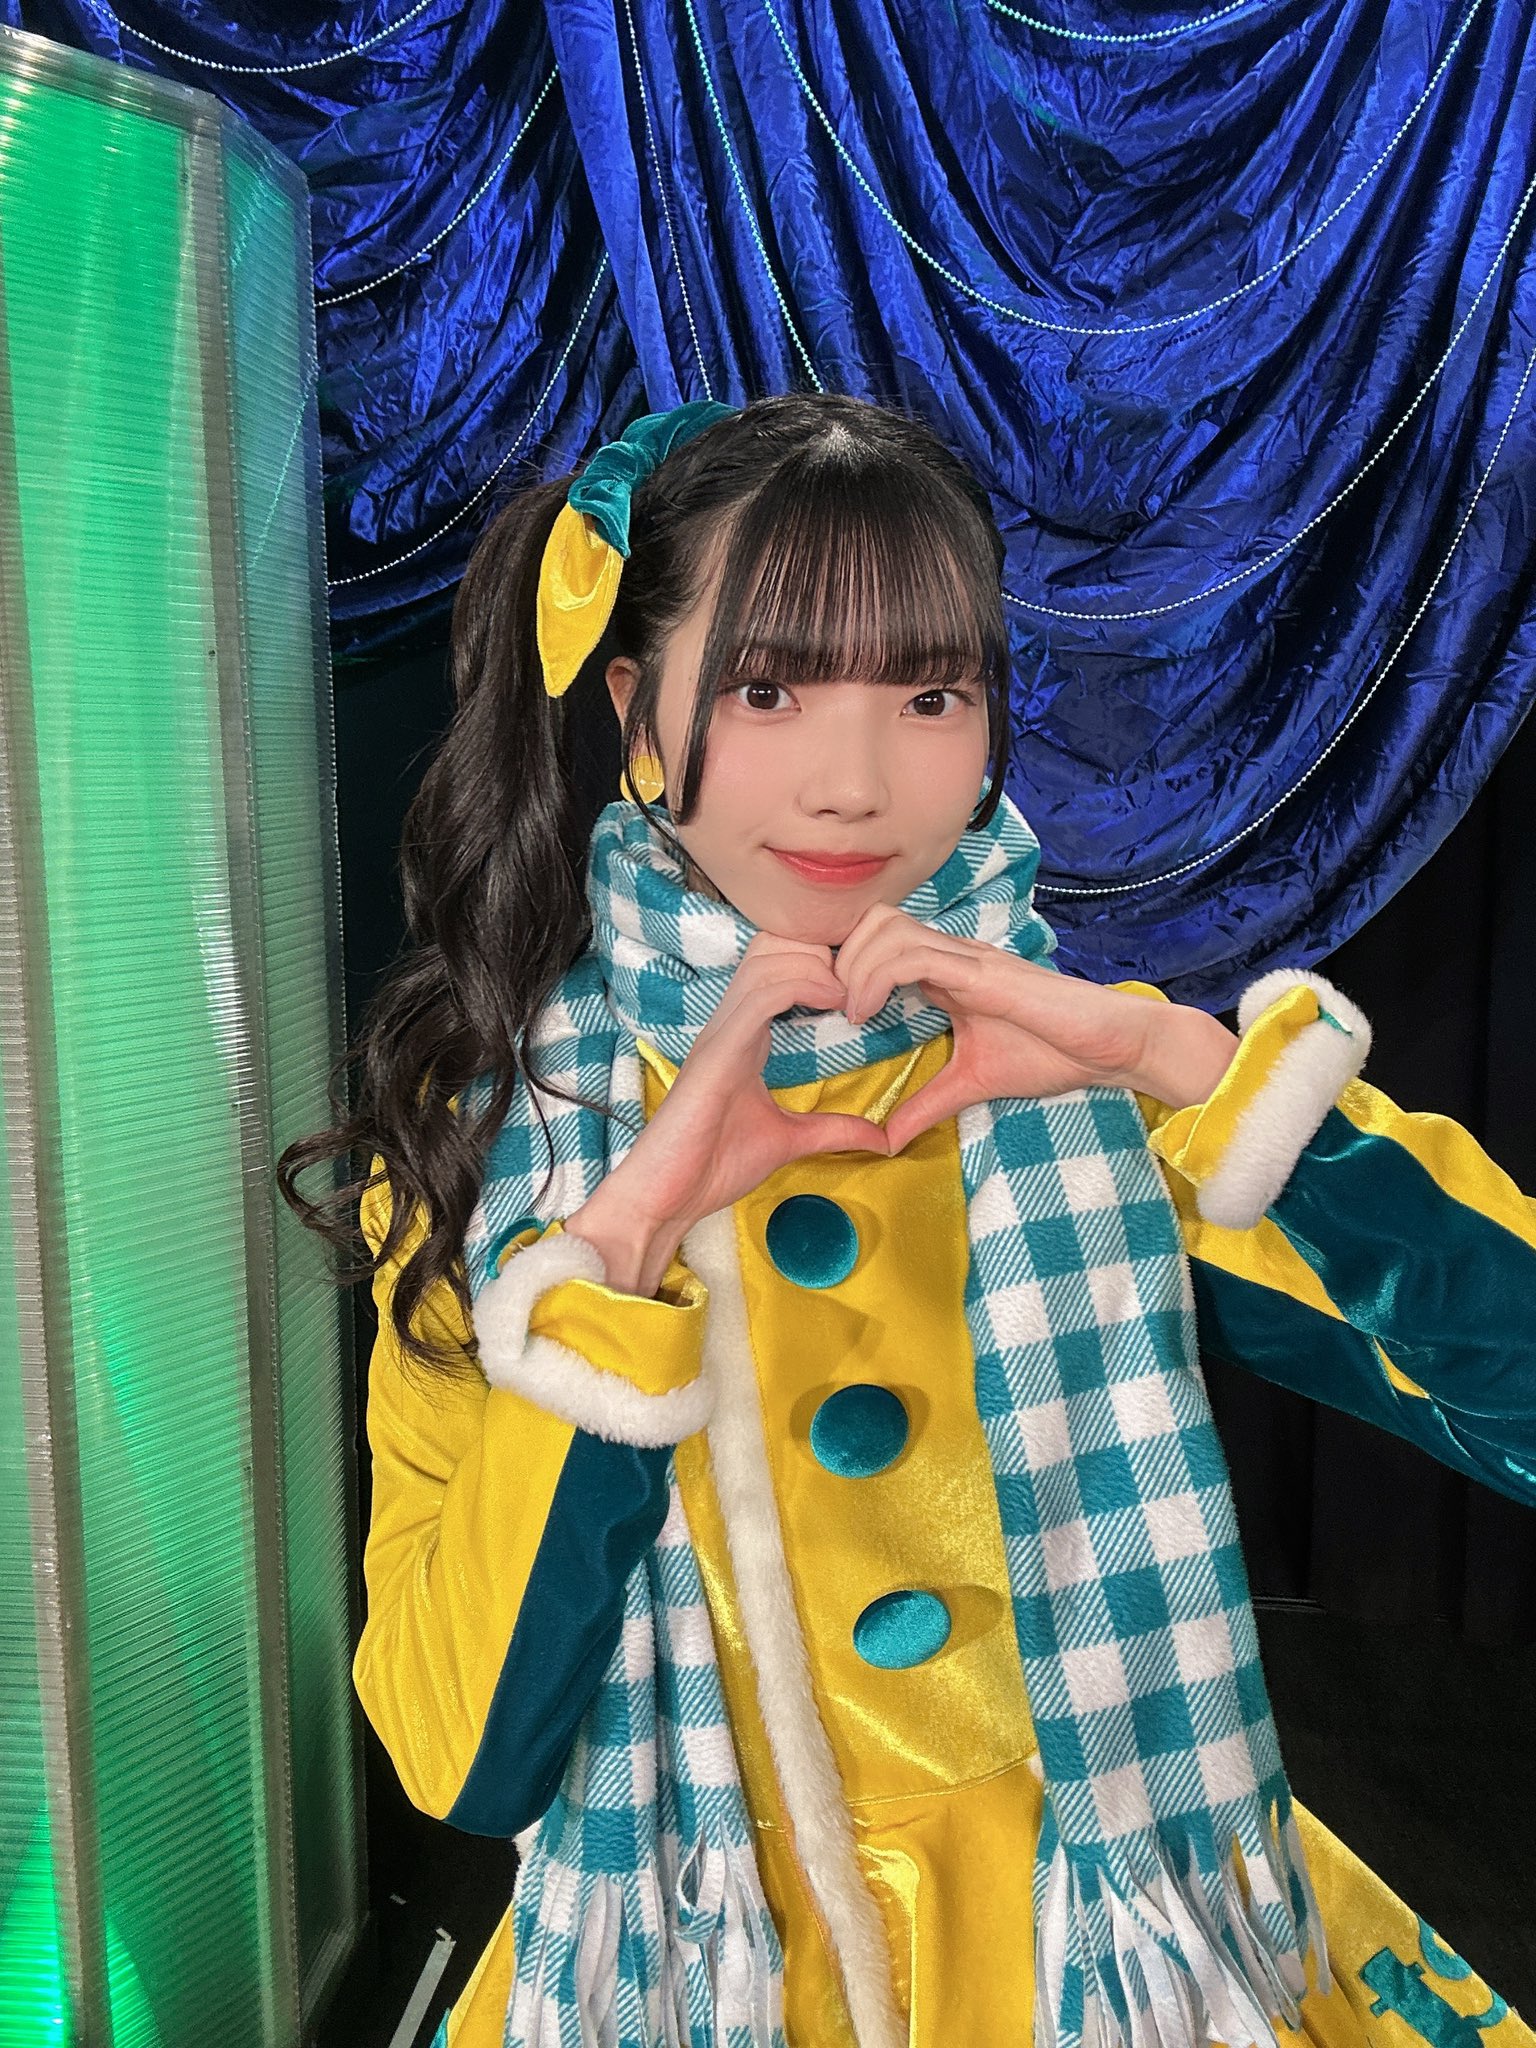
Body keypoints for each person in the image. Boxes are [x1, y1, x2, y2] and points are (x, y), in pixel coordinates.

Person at [279, 394, 1536, 2048]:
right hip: (700, 1975)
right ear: (637, 713)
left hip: (1112, 1957)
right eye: (770, 689)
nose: (856, 785)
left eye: (930, 694)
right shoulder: (493, 1156)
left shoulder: (1080, 1078)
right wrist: (627, 1246)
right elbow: (461, 1755)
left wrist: (1179, 1064)